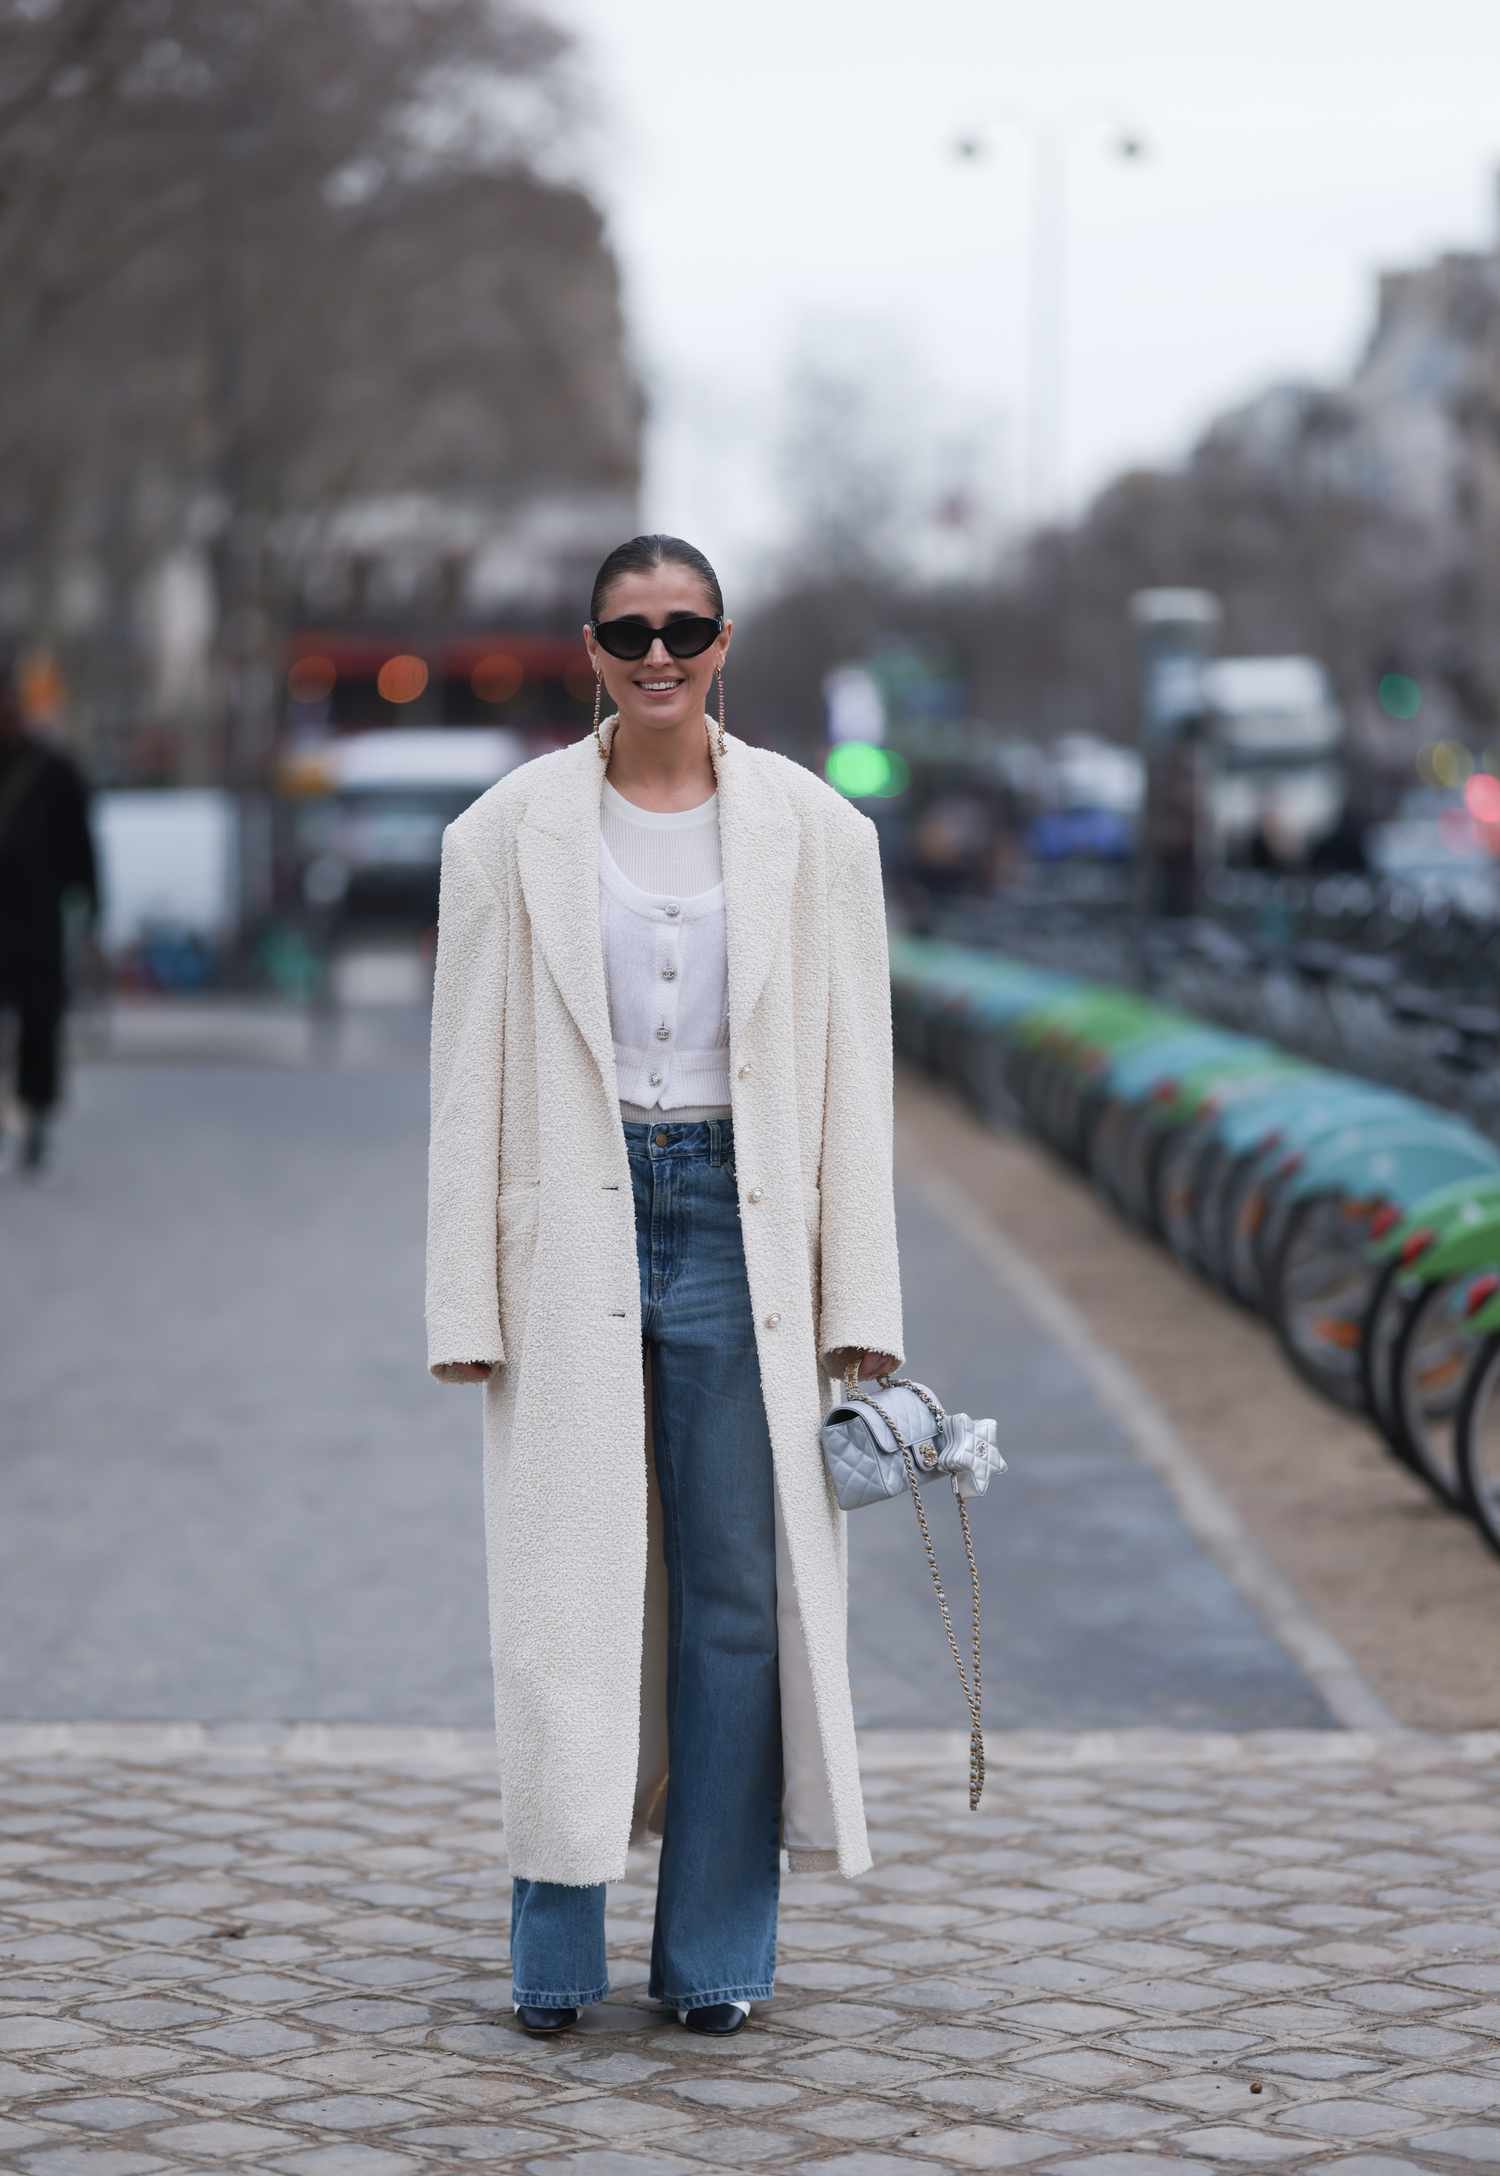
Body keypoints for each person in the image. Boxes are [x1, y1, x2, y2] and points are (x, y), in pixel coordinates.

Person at [424, 534, 904, 2039]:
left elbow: (854, 1090)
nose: (658, 652)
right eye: (631, 629)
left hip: (741, 1233)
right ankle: (554, 1950)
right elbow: (464, 1088)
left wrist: (862, 1310)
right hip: (575, 1225)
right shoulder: (501, 836)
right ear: (588, 646)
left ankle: (715, 1957)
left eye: (684, 626)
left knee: (733, 1601)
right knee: (564, 1606)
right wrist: (463, 1305)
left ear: (723, 641)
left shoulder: (820, 836)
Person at [0, 664, 101, 1173]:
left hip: (36, 917)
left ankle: (34, 1116)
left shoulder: (51, 769)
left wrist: (91, 907)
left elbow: (81, 846)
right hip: (26, 917)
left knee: (39, 1022)